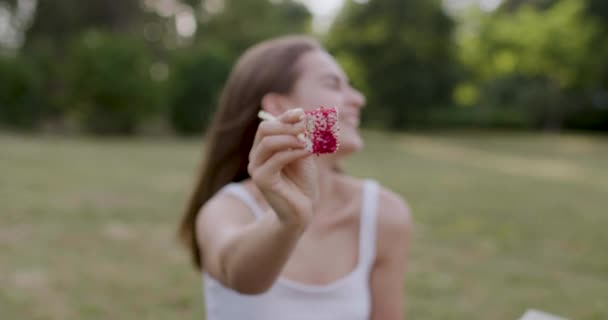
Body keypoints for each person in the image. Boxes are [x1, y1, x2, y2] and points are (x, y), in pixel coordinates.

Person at [178, 35, 412, 320]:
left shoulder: (385, 214)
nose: (358, 99)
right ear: (278, 107)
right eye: (332, 84)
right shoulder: (226, 209)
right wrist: (288, 222)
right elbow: (240, 276)